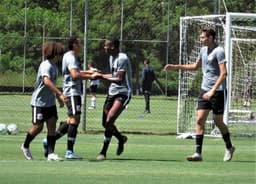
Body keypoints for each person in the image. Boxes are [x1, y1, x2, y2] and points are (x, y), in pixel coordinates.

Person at [164, 28, 235, 162]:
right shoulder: (203, 50)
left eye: (203, 37)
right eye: (200, 37)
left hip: (218, 91)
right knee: (199, 120)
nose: (200, 39)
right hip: (204, 90)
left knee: (218, 121)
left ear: (211, 38)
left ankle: (229, 147)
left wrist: (213, 90)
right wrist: (175, 67)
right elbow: (195, 66)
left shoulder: (219, 51)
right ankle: (198, 153)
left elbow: (224, 73)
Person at [43, 36, 101, 159]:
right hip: (72, 92)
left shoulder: (70, 56)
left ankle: (49, 140)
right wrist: (91, 77)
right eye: (80, 43)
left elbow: (77, 72)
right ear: (74, 44)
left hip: (73, 92)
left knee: (71, 120)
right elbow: (75, 75)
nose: (81, 45)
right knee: (75, 119)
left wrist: (91, 72)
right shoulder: (71, 57)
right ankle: (69, 152)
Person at [21, 42, 67, 161]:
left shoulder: (54, 67)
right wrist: (60, 94)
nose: (61, 57)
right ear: (55, 54)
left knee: (52, 124)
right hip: (39, 102)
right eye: (60, 54)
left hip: (50, 103)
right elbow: (46, 81)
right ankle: (25, 146)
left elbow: (52, 86)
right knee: (38, 127)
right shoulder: (46, 65)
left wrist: (58, 99)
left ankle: (51, 154)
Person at [96, 37, 132, 161]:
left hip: (123, 92)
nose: (104, 47)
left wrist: (100, 76)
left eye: (106, 45)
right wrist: (97, 74)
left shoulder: (122, 58)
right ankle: (121, 138)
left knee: (110, 118)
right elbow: (113, 75)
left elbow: (119, 79)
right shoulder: (111, 57)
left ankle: (103, 152)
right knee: (105, 123)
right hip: (112, 92)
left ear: (113, 47)